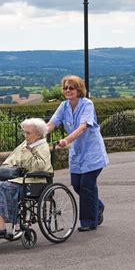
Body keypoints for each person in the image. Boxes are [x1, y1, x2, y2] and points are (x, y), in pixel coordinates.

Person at [47, 75, 109, 232]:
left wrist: (66, 141)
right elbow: (52, 123)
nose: (68, 90)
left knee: (87, 186)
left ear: (79, 89)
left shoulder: (87, 104)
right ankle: (98, 206)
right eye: (65, 88)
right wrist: (36, 134)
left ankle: (89, 222)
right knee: (76, 185)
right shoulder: (64, 106)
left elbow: (82, 127)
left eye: (71, 88)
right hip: (77, 153)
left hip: (92, 152)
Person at [0, 118, 53, 237]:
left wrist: (27, 156)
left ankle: (1, 227)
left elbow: (40, 166)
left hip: (34, 181)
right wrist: (12, 167)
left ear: (39, 134)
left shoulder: (42, 146)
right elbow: (9, 161)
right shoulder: (24, 144)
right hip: (17, 179)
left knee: (2, 187)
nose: (25, 135)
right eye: (24, 132)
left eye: (28, 133)